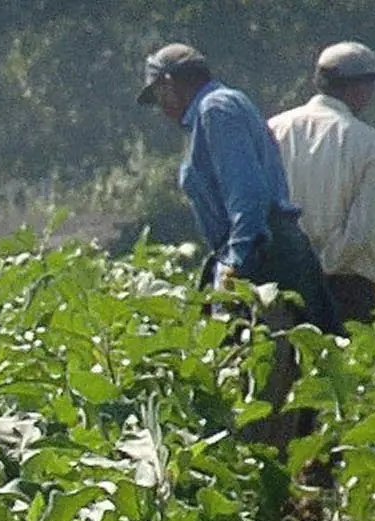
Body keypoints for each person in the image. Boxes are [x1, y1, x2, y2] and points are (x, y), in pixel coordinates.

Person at [139, 43, 337, 334]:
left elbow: (247, 194)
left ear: (168, 83)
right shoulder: (217, 109)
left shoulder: (216, 109)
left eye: (158, 96)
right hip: (263, 250)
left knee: (273, 352)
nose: (161, 108)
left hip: (264, 259)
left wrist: (236, 263)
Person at [272, 42, 375, 326]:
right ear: (359, 88)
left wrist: (299, 270)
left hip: (281, 283)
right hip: (347, 289)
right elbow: (361, 229)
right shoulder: (367, 142)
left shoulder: (274, 129)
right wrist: (321, 268)